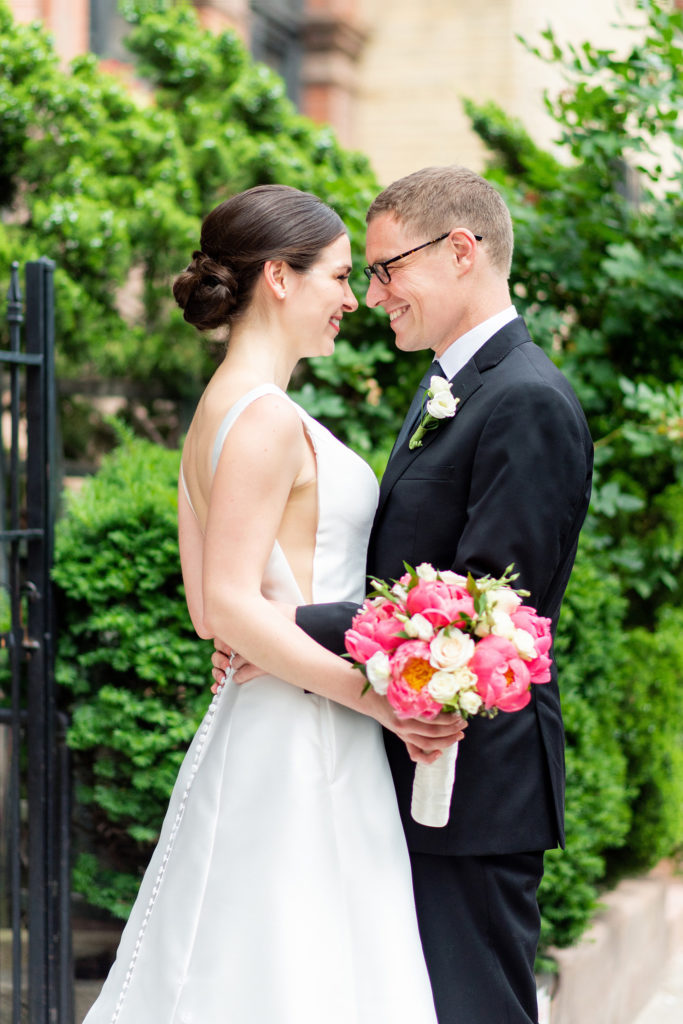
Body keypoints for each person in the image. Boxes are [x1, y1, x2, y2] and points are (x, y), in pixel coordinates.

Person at [214, 166, 594, 1024]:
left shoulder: (527, 398)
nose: (375, 293)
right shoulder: (441, 386)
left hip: (474, 781)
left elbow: (484, 611)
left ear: (460, 251)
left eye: (388, 268)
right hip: (406, 750)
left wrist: (280, 629)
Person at [83, 184, 466, 1024]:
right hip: (308, 738)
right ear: (279, 278)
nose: (352, 299)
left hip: (277, 721)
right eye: (336, 275)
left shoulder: (216, 413)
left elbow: (205, 611)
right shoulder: (260, 418)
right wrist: (383, 703)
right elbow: (225, 606)